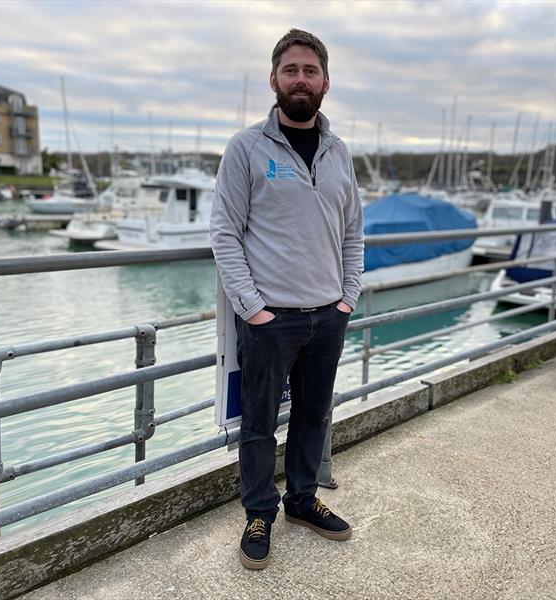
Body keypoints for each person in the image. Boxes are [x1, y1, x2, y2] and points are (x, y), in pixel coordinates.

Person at [210, 29, 364, 570]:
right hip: (269, 319)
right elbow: (225, 233)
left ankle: (301, 500)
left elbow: (352, 234)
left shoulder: (340, 154)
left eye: (311, 71)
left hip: (329, 316)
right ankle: (259, 511)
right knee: (258, 423)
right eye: (291, 69)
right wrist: (253, 307)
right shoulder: (246, 148)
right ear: (273, 79)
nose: (301, 79)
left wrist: (348, 296)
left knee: (313, 415)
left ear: (326, 82)